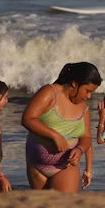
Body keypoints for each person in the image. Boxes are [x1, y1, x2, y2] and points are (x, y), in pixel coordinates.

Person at [23, 62, 99, 193]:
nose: (89, 96)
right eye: (87, 91)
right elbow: (27, 119)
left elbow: (86, 137)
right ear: (75, 83)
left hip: (65, 165)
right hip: (36, 165)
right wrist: (55, 136)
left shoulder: (83, 107)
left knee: (65, 205)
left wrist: (80, 150)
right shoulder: (50, 92)